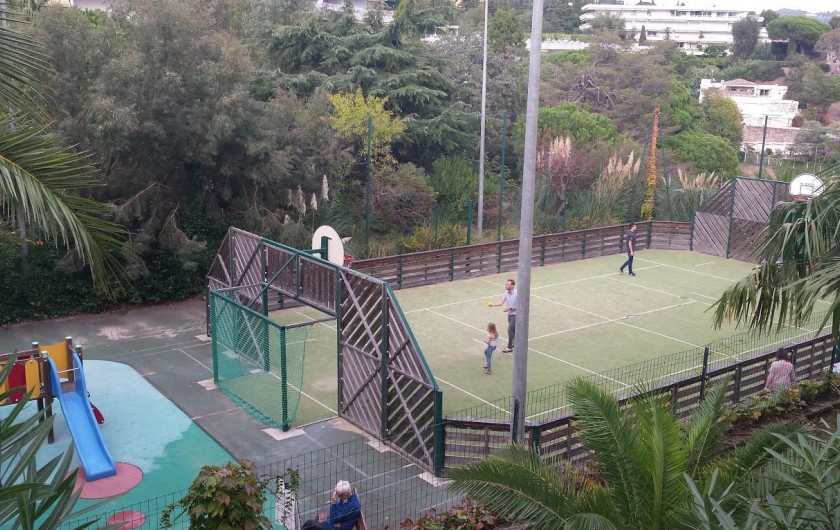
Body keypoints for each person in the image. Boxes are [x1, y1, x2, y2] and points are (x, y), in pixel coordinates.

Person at [489, 279, 517, 353]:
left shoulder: (517, 293)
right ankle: (515, 343)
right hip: (510, 314)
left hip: (516, 314)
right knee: (513, 330)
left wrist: (510, 308)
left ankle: (509, 347)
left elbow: (521, 306)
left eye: (508, 284)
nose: (506, 286)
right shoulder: (506, 293)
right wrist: (493, 304)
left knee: (510, 329)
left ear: (512, 286)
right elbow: (501, 302)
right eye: (506, 284)